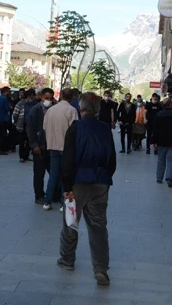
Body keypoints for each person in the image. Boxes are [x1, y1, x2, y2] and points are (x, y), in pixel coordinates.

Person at [57, 92, 116, 286]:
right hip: (100, 182)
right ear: (98, 109)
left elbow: (67, 159)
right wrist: (104, 178)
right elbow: (112, 161)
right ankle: (101, 269)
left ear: (80, 108)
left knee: (71, 221)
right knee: (98, 227)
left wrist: (67, 186)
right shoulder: (105, 129)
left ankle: (67, 260)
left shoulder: (75, 128)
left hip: (78, 183)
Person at [42, 88, 78, 211]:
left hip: (52, 146)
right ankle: (64, 203)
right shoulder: (72, 110)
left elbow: (45, 127)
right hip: (66, 148)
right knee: (65, 175)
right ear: (72, 97)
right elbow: (75, 130)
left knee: (53, 175)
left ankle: (47, 201)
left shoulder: (50, 110)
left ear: (61, 96)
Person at [27, 88, 55, 205]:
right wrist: (34, 145)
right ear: (41, 97)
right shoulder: (35, 110)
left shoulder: (54, 109)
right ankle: (39, 195)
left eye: (50, 98)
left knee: (54, 172)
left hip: (51, 146)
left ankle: (54, 194)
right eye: (46, 98)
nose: (48, 100)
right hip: (39, 146)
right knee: (39, 174)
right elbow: (30, 129)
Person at [13, 89, 36, 162]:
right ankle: (22, 157)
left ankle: (25, 156)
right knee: (22, 142)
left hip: (28, 125)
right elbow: (15, 114)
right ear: (29, 96)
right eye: (32, 95)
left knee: (28, 141)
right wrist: (16, 122)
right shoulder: (20, 104)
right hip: (22, 125)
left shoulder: (32, 104)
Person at [0, 86, 12, 155]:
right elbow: (7, 108)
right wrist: (10, 107)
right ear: (6, 92)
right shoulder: (5, 99)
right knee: (3, 134)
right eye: (9, 92)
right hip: (3, 118)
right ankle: (1, 149)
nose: (10, 93)